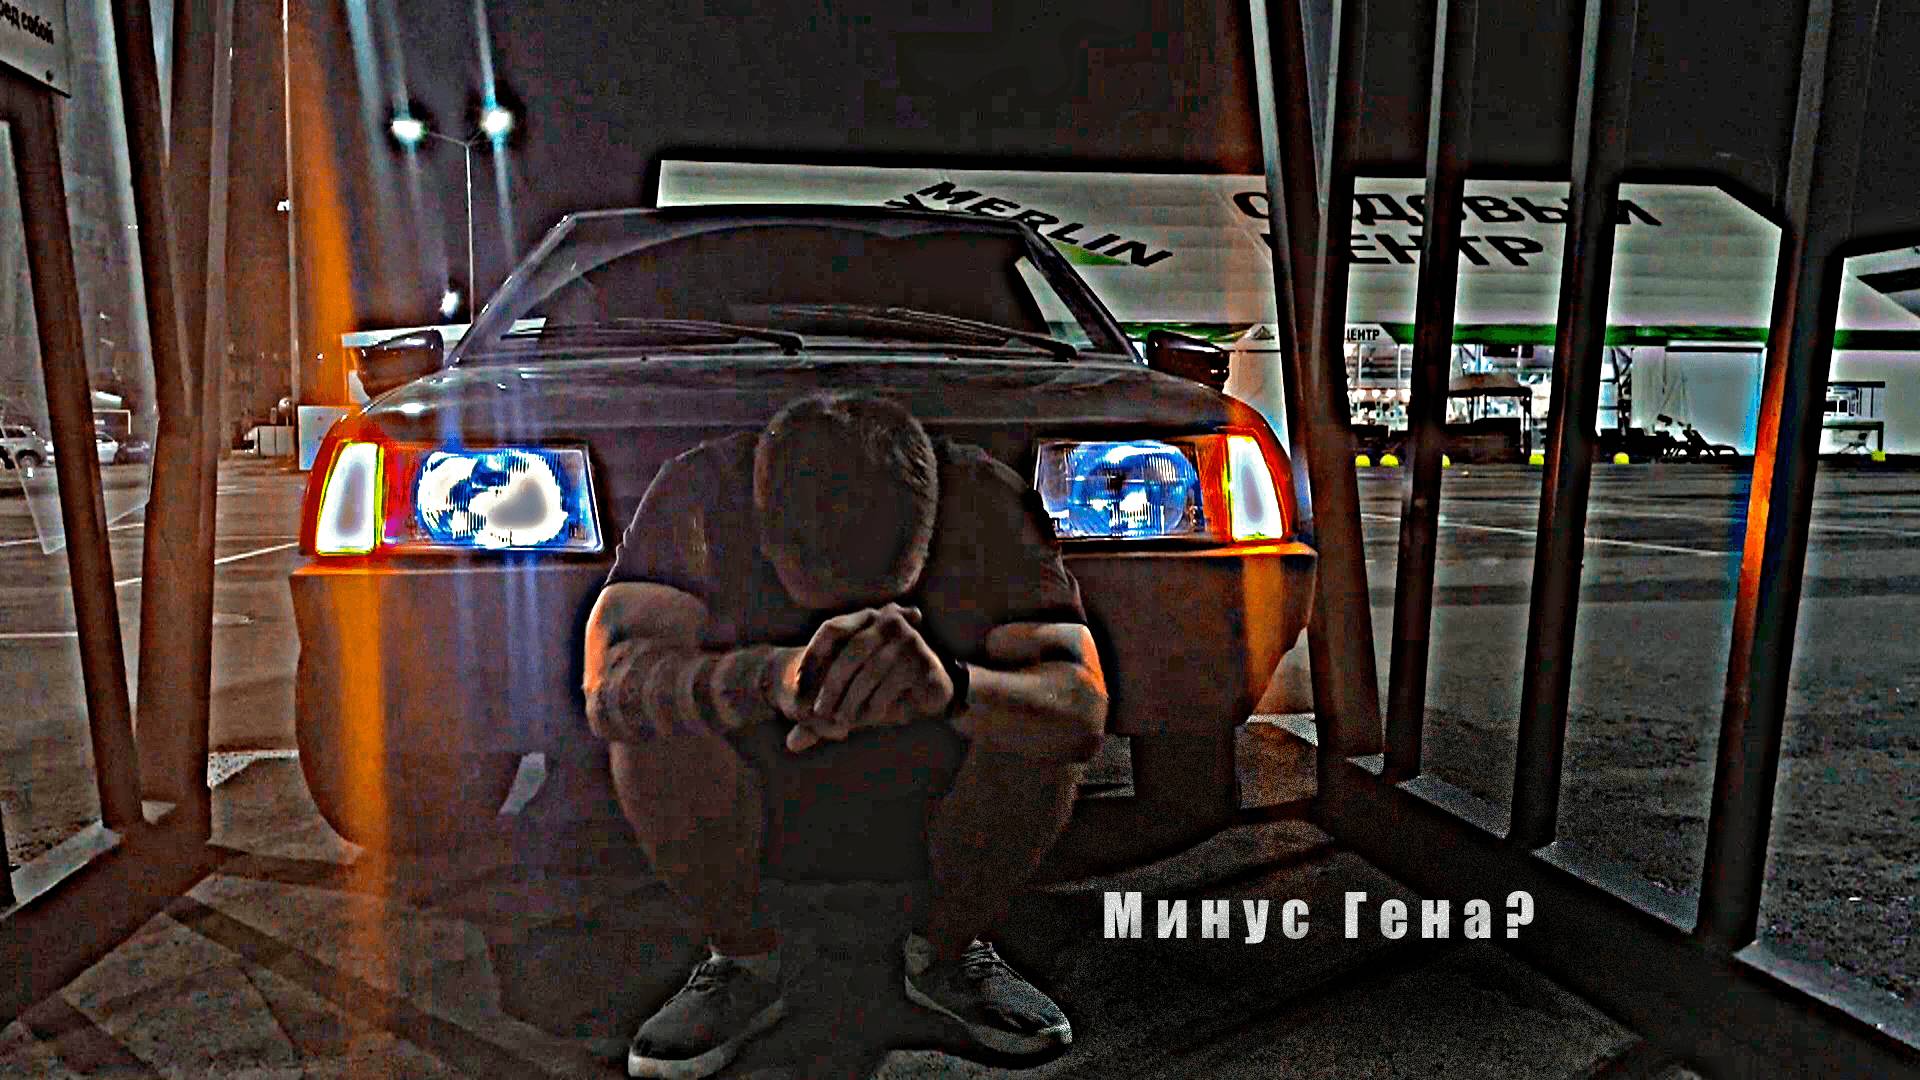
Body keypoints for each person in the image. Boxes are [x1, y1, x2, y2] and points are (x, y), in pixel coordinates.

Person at [581, 390, 1108, 1079]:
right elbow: (610, 691)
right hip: (752, 762)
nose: (857, 625)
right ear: (765, 538)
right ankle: (741, 956)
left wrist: (952, 688)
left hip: (936, 761)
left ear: (931, 529)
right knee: (649, 724)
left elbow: (1080, 705)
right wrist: (772, 677)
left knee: (1041, 730)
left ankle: (948, 950)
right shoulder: (701, 495)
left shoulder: (985, 498)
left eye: (882, 601)